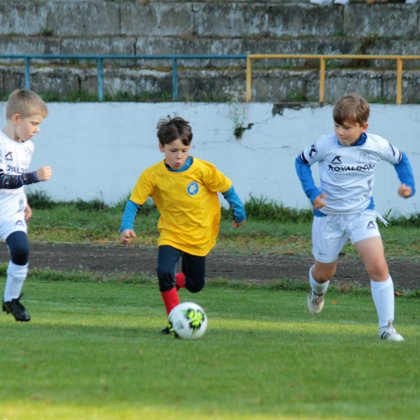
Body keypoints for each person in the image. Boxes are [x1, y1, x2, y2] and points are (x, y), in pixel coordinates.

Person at [295, 93, 415, 341]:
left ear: (364, 126)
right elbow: (301, 162)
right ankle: (317, 292)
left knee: (378, 267)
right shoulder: (325, 145)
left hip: (361, 214)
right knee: (324, 273)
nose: (340, 132)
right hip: (328, 217)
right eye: (337, 126)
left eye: (347, 128)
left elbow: (401, 159)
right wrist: (313, 193)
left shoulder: (377, 145)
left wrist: (408, 184)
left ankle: (386, 328)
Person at [120, 116, 246, 334]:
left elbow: (226, 188)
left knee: (195, 284)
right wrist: (126, 227)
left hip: (199, 236)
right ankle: (174, 322)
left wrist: (239, 211)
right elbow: (134, 202)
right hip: (171, 234)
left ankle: (173, 283)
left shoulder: (203, 170)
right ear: (161, 147)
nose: (178, 156)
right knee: (163, 271)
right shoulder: (151, 175)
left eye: (184, 150)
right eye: (173, 150)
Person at [1, 89, 52, 321]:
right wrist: (34, 177)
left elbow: (17, 177)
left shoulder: (28, 147)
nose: (37, 129)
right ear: (16, 119)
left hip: (11, 212)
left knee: (21, 249)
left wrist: (25, 201)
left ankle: (11, 300)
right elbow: (2, 180)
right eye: (34, 123)